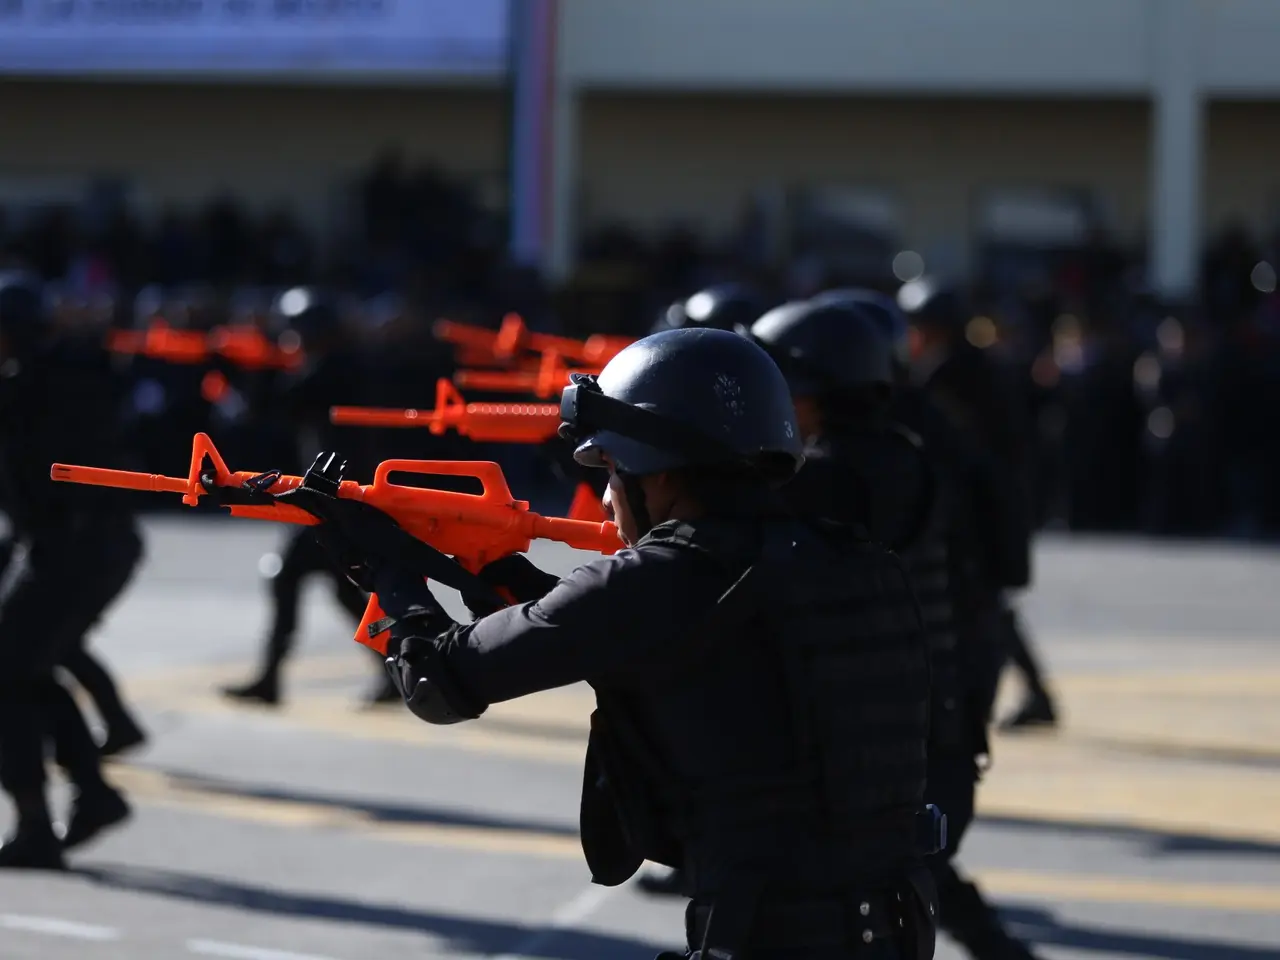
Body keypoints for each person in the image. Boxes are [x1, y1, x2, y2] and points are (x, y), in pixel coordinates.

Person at [270, 328, 941, 959]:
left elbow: (438, 683)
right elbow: (616, 633)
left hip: (772, 929)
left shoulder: (660, 579)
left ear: (662, 474)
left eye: (612, 471)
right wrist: (475, 565)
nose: (607, 495)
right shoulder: (852, 559)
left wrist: (387, 575)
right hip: (893, 922)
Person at [752, 294, 1045, 960]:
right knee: (898, 883)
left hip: (899, 739)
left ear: (819, 392)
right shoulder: (904, 450)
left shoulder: (833, 477)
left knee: (868, 896)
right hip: (930, 726)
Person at [0, 272, 139, 869]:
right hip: (88, 546)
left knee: (6, 678)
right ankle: (92, 793)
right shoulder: (67, 374)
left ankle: (40, 822)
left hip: (71, 549)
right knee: (29, 671)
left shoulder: (34, 385)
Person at [220, 287, 396, 707]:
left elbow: (270, 407)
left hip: (333, 500)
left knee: (290, 578)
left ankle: (271, 678)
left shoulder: (332, 370)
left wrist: (248, 366)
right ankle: (394, 666)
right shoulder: (339, 365)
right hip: (337, 497)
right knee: (344, 591)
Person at [896, 279, 1057, 730]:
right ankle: (1036, 692)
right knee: (991, 605)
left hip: (977, 512)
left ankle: (1012, 696)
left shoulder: (947, 376)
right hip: (997, 505)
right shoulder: (980, 368)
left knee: (981, 606)